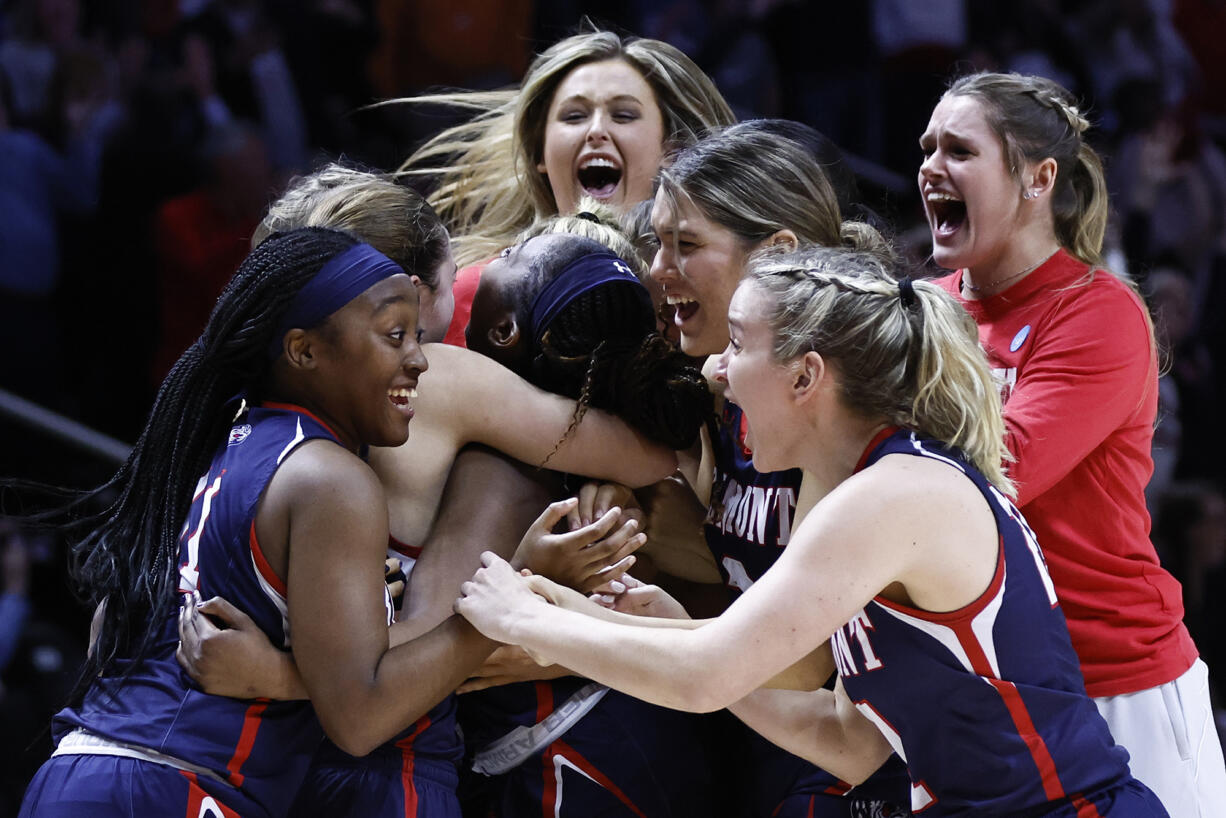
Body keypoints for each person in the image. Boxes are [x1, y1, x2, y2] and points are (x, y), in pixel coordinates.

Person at [455, 246, 1169, 817]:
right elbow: (850, 741)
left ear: (806, 378)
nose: (717, 370)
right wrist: (649, 625)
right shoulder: (875, 488)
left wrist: (528, 620)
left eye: (738, 344)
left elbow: (707, 675)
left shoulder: (893, 496)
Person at [15, 226, 491, 817]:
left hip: (78, 773)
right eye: (395, 335)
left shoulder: (204, 447)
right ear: (303, 350)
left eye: (416, 336)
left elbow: (103, 630)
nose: (418, 359)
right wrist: (494, 619)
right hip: (173, 785)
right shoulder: (327, 476)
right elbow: (360, 717)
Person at [917, 71, 1226, 815]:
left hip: (1115, 675)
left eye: (959, 150)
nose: (930, 167)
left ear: (1037, 178)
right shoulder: (930, 307)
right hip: (988, 682)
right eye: (926, 147)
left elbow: (1000, 473)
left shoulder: (1100, 313)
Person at [647, 119, 909, 817]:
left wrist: (570, 634)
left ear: (776, 254)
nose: (658, 269)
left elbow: (800, 663)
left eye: (686, 245)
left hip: (864, 767)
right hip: (771, 746)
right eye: (658, 241)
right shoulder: (726, 391)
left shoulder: (838, 412)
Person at [400, 26, 735, 268]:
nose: (596, 130)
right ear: (539, 156)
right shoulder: (480, 292)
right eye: (574, 116)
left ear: (672, 152)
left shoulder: (709, 293)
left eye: (623, 115)